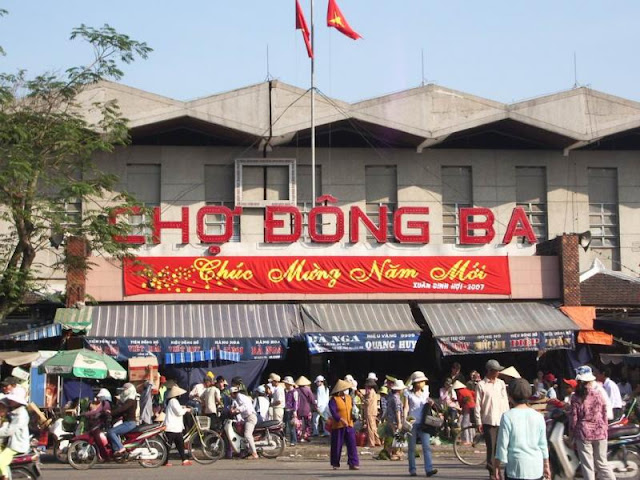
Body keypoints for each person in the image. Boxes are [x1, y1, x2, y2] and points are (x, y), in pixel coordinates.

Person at [493, 378, 550, 480]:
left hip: (515, 468)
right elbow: (543, 444)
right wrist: (546, 465)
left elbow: (502, 444)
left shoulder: (507, 416)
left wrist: (497, 465)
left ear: (510, 396)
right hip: (536, 468)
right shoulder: (538, 416)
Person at [569, 365, 615, 480]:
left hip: (583, 434)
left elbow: (574, 418)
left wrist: (571, 435)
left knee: (588, 466)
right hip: (600, 432)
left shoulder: (575, 397)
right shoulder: (599, 393)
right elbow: (605, 413)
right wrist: (604, 428)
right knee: (602, 463)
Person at [475, 359, 510, 480]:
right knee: (491, 448)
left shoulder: (501, 384)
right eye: (496, 371)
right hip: (488, 420)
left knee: (500, 448)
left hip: (501, 419)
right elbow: (477, 404)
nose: (498, 373)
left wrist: (508, 416)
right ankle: (492, 472)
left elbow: (505, 401)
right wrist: (478, 421)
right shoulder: (481, 385)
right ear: (490, 371)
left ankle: (498, 469)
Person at [405, 371, 437, 477]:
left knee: (426, 446)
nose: (423, 383)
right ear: (416, 383)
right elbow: (406, 407)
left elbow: (428, 405)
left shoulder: (425, 393)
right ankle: (412, 469)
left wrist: (431, 403)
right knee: (412, 448)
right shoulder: (408, 393)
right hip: (412, 422)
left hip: (424, 422)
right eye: (421, 381)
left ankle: (429, 469)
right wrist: (404, 420)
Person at [328, 379, 360, 470]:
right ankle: (335, 463)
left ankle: (353, 463)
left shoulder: (349, 398)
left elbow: (352, 409)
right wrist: (341, 419)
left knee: (352, 444)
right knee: (337, 445)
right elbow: (333, 412)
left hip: (349, 424)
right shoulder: (333, 400)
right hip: (338, 426)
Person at [0, 394, 30, 480]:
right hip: (9, 442)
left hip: (16, 444)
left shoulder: (21, 415)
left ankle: (5, 477)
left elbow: (9, 431)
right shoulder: (14, 412)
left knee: (1, 461)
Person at [164, 385, 193, 466]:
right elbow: (179, 412)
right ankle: (165, 461)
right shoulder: (173, 401)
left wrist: (183, 407)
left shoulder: (172, 401)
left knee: (179, 444)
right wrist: (186, 410)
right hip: (172, 427)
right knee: (169, 445)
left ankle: (184, 460)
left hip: (175, 427)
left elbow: (178, 409)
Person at [107, 382, 138, 456]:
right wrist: (112, 415)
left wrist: (111, 412)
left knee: (111, 432)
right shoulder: (128, 400)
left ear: (129, 390)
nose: (123, 391)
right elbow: (122, 412)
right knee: (113, 431)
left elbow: (122, 409)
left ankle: (120, 448)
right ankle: (116, 451)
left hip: (130, 423)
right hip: (128, 422)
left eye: (125, 390)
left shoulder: (131, 400)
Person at [230, 386, 259, 459]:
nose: (230, 396)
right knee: (241, 433)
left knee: (247, 435)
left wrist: (236, 410)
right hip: (246, 418)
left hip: (250, 418)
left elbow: (245, 406)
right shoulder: (238, 398)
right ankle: (247, 450)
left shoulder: (240, 397)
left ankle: (254, 453)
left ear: (233, 393)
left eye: (231, 394)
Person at [384, 379, 406, 461]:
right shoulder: (396, 398)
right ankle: (395, 453)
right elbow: (397, 411)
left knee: (394, 436)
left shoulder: (391, 397)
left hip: (390, 419)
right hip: (395, 420)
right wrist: (399, 422)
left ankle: (393, 452)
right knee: (397, 437)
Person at [453, 380, 475, 445]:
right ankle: (471, 439)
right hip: (473, 407)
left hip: (467, 408)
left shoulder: (459, 392)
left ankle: (466, 440)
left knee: (464, 425)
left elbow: (461, 401)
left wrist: (461, 409)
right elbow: (473, 394)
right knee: (469, 424)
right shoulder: (466, 390)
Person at [363, 378, 381, 447]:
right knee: (373, 427)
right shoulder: (373, 392)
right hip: (373, 411)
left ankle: (371, 442)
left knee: (370, 427)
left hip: (370, 411)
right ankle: (377, 441)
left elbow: (367, 402)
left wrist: (361, 397)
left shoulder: (370, 392)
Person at [295, 376, 315, 442]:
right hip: (307, 409)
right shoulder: (308, 390)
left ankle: (299, 436)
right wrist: (314, 406)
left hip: (298, 409)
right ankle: (306, 435)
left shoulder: (296, 390)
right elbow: (312, 400)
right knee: (308, 423)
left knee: (299, 424)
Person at [283, 376, 299, 446]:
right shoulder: (285, 391)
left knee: (291, 427)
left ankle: (293, 441)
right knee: (284, 426)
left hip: (291, 410)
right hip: (285, 409)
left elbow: (296, 402)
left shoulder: (294, 392)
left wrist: (295, 411)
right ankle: (284, 440)